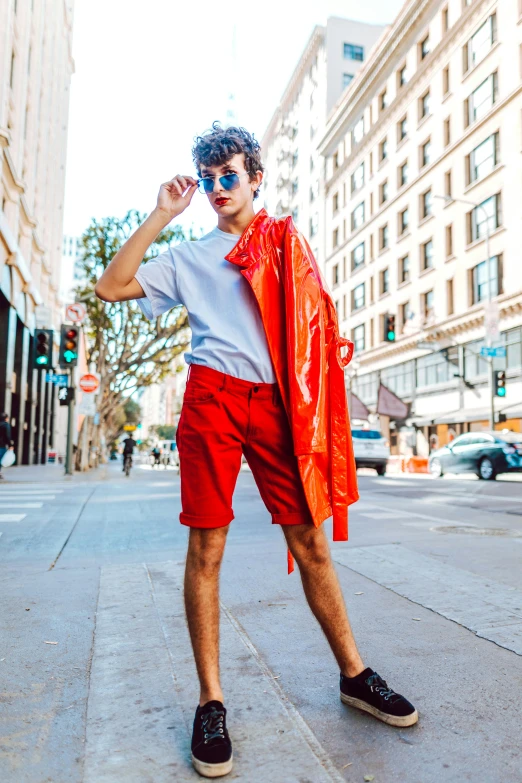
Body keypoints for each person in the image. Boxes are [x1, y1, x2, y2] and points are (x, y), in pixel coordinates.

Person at [95, 123, 418, 779]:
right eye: (208, 179)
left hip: (276, 403)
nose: (218, 189)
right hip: (212, 397)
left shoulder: (285, 242)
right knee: (206, 547)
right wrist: (162, 212)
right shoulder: (188, 256)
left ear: (255, 178)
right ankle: (211, 701)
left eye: (229, 176)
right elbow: (111, 285)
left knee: (313, 543)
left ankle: (354, 674)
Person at [0, 413, 13, 480]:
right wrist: (10, 445)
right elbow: (7, 436)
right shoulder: (6, 425)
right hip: (2, 445)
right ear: (6, 418)